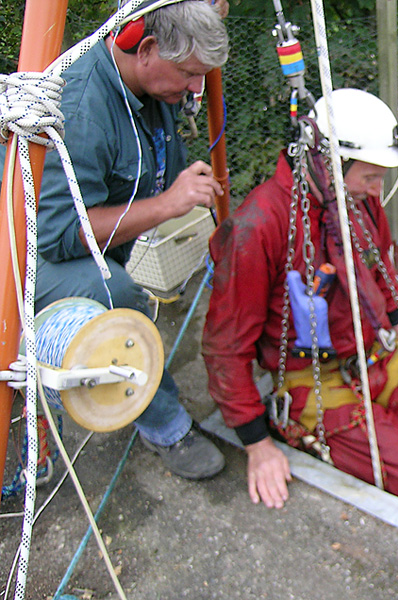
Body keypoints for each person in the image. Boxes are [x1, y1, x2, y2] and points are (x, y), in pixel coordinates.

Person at [202, 89, 398, 536]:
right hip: (318, 386)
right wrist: (256, 445)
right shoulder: (258, 227)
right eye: (369, 176)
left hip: (382, 356)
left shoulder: (355, 199)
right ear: (327, 165)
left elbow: (377, 266)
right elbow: (224, 348)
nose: (376, 190)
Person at [31, 0, 229, 479]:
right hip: (22, 260)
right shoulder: (83, 110)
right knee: (117, 293)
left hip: (82, 246)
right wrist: (168, 204)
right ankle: (165, 428)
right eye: (188, 73)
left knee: (115, 281)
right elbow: (57, 234)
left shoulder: (147, 90)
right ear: (145, 48)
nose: (196, 88)